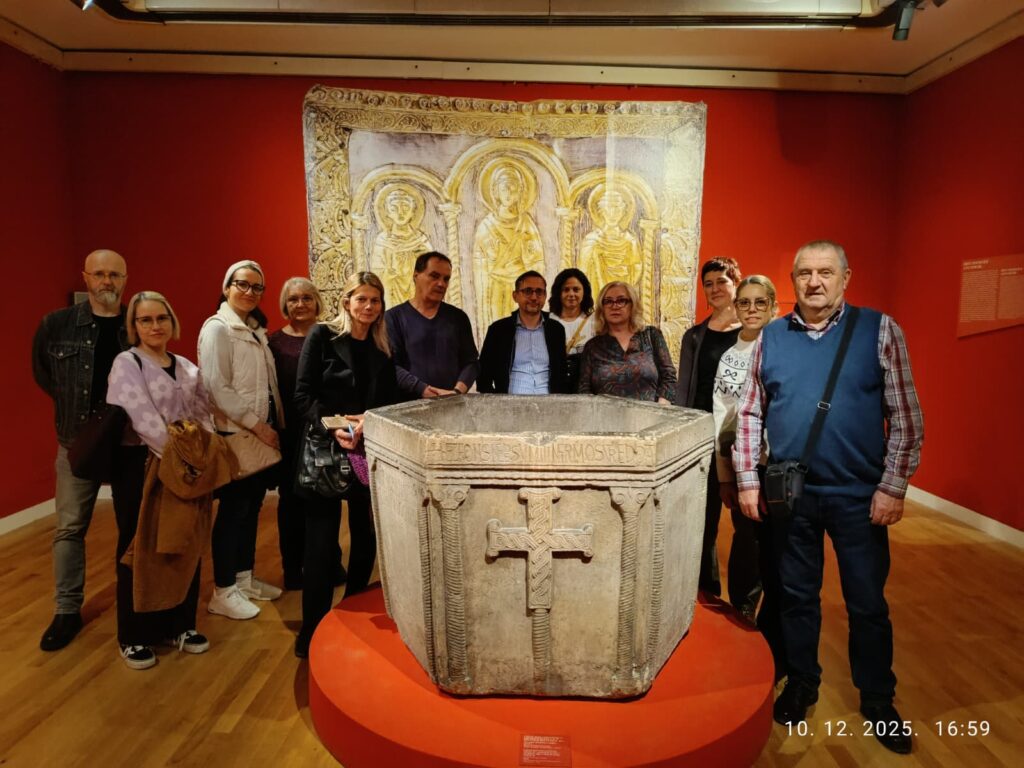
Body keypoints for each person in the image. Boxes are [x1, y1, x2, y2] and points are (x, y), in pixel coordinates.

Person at [734, 240, 923, 755]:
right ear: (792, 280)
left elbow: (906, 416)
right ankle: (802, 682)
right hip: (791, 495)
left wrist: (892, 487)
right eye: (804, 273)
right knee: (796, 597)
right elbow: (749, 413)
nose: (814, 282)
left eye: (825, 272)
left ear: (845, 278)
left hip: (859, 497)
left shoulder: (879, 330)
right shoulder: (771, 337)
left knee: (867, 603)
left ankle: (877, 699)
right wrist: (748, 480)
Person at [293, 272, 400, 658]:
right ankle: (312, 629)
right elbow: (303, 396)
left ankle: (350, 613)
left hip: (365, 450)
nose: (368, 306)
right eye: (361, 299)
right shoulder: (322, 336)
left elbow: (388, 402)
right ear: (346, 301)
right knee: (320, 547)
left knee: (365, 538)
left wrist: (369, 420)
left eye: (375, 300)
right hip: (327, 450)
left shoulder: (382, 347)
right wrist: (338, 424)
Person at [105, 291, 214, 669]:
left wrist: (200, 457)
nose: (155, 326)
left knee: (183, 541)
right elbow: (143, 418)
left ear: (172, 321)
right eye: (145, 320)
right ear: (134, 326)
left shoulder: (185, 366)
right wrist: (182, 459)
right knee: (139, 548)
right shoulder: (127, 363)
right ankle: (134, 635)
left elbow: (203, 413)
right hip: (143, 467)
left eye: (161, 318)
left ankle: (179, 625)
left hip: (186, 467)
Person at [31, 249, 131, 651]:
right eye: (100, 274)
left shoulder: (136, 322)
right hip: (77, 441)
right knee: (70, 528)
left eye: (115, 275)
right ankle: (66, 610)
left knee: (133, 527)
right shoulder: (56, 325)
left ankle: (135, 603)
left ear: (125, 279)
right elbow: (44, 374)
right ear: (85, 277)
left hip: (129, 441)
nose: (107, 281)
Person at [198, 260, 285, 620]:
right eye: (242, 284)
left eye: (256, 287)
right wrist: (256, 425)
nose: (250, 292)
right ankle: (223, 590)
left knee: (251, 510)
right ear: (227, 287)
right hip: (235, 433)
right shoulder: (218, 329)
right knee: (233, 513)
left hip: (257, 433)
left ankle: (243, 579)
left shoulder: (253, 330)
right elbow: (216, 387)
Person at [712, 275, 784, 676]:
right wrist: (725, 475)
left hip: (783, 465)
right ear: (736, 307)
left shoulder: (785, 347)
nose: (752, 309)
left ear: (773, 305)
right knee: (747, 542)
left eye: (760, 302)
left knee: (781, 549)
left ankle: (775, 632)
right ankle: (743, 616)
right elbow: (722, 417)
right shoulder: (730, 355)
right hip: (745, 464)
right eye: (745, 302)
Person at [268, 277, 344, 591]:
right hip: (290, 432)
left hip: (324, 429)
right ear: (285, 305)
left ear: (316, 302)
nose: (300, 304)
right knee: (291, 501)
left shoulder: (332, 337)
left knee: (327, 496)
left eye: (306, 298)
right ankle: (293, 568)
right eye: (293, 299)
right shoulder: (273, 343)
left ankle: (330, 563)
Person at [675, 257, 743, 600]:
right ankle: (705, 590)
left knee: (748, 524)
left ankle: (744, 602)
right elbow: (684, 390)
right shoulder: (695, 336)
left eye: (722, 281)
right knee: (703, 518)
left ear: (736, 283)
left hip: (742, 437)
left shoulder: (754, 333)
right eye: (709, 284)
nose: (715, 289)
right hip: (704, 435)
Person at [385, 251, 479, 399]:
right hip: (408, 406)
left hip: (451, 404)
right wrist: (423, 389)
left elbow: (471, 363)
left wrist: (457, 392)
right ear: (416, 276)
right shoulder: (393, 318)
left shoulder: (458, 317)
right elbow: (390, 367)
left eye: (446, 279)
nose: (441, 284)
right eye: (434, 276)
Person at [472, 159, 544, 330]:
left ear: (520, 192)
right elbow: (480, 265)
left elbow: (536, 261)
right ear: (496, 192)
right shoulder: (487, 226)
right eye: (504, 188)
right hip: (495, 288)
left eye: (513, 188)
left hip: (523, 290)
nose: (508, 193)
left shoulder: (526, 224)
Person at [577, 281, 675, 403]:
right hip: (605, 414)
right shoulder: (593, 346)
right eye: (608, 301)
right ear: (602, 308)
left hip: (650, 413)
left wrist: (661, 407)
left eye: (621, 300)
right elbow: (584, 389)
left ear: (633, 305)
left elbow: (669, 376)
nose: (614, 306)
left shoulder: (651, 335)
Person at [478, 271, 568, 394]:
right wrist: (497, 401)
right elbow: (483, 375)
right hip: (510, 402)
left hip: (549, 402)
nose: (534, 297)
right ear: (515, 296)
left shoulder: (556, 330)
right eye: (527, 291)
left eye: (539, 292)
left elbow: (561, 373)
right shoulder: (498, 330)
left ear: (545, 296)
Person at [371, 182, 434, 307]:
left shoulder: (420, 240)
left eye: (405, 208)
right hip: (391, 295)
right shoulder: (383, 241)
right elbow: (376, 274)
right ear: (387, 212)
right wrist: (389, 274)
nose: (400, 213)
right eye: (394, 208)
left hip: (416, 295)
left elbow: (432, 272)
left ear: (413, 211)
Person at [578, 183, 642, 291]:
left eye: (617, 209)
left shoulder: (630, 241)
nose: (612, 214)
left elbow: (636, 268)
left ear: (623, 211)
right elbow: (583, 272)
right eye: (608, 208)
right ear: (601, 211)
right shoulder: (591, 240)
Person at [548, 268, 597, 393]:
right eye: (566, 290)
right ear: (558, 293)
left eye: (576, 289)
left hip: (586, 387)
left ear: (584, 292)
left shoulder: (595, 322)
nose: (571, 294)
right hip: (555, 386)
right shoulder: (548, 321)